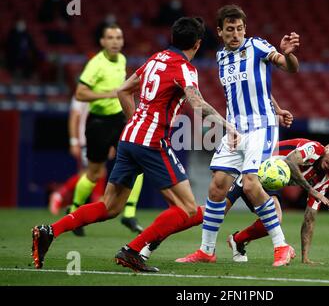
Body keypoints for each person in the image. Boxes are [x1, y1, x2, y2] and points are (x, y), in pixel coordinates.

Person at [31, 17, 239, 272]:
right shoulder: (185, 68)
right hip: (151, 142)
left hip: (129, 138)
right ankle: (132, 251)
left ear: (173, 38)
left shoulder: (155, 59)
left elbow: (123, 90)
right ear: (197, 44)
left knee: (110, 207)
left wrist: (137, 122)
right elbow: (197, 104)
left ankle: (50, 231)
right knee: (187, 208)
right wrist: (228, 126)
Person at [176, 4, 300, 267]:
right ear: (220, 32)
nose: (236, 33)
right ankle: (206, 251)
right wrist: (278, 108)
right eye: (230, 29)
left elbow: (288, 67)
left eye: (240, 28)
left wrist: (288, 56)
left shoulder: (257, 46)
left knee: (251, 184)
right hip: (234, 129)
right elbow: (250, 86)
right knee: (217, 186)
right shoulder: (221, 57)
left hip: (261, 127)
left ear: (246, 29)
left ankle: (282, 246)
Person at [139, 138, 329, 266]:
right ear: (328, 146)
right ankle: (156, 237)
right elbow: (290, 162)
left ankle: (238, 240)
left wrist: (306, 257)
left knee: (275, 218)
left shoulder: (324, 179)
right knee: (211, 215)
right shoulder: (314, 148)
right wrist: (311, 191)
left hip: (267, 180)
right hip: (250, 167)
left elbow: (310, 219)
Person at [62, 23, 143, 236]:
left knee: (138, 160)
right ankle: (74, 209)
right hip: (98, 123)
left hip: (118, 120)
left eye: (119, 37)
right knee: (95, 173)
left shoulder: (123, 60)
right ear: (102, 42)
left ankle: (129, 213)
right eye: (111, 38)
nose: (115, 41)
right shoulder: (95, 64)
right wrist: (108, 94)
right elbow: (80, 93)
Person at [48, 97, 143, 234]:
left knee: (97, 172)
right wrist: (74, 141)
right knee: (91, 173)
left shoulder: (113, 86)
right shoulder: (88, 87)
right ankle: (62, 197)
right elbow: (75, 116)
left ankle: (79, 207)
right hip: (88, 137)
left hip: (105, 134)